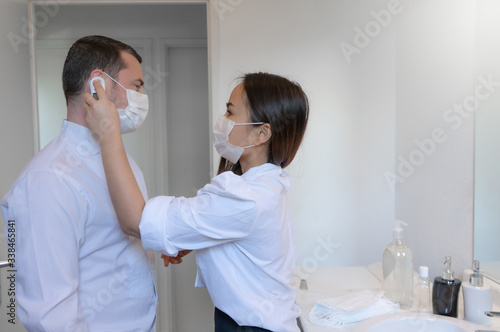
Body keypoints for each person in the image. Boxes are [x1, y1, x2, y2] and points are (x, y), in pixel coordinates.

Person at [84, 72, 309, 332]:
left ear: (262, 133)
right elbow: (240, 231)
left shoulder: (246, 197)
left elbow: (136, 220)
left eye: (230, 112)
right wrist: (197, 236)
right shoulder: (267, 184)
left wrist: (108, 132)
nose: (223, 121)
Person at [0, 35, 157, 331]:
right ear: (98, 84)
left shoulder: (121, 160)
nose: (141, 97)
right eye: (135, 86)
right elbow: (50, 316)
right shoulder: (47, 181)